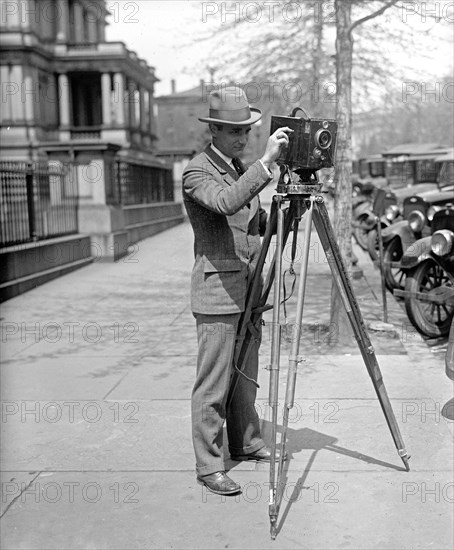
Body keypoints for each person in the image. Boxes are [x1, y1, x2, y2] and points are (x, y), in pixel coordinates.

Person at [182, 86, 292, 496]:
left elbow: (255, 226)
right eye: (232, 131)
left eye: (246, 130)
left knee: (244, 376)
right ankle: (209, 465)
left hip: (248, 289)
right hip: (217, 292)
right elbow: (226, 203)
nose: (241, 138)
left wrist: (287, 206)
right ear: (213, 129)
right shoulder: (198, 171)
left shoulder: (237, 165)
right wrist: (264, 166)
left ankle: (245, 442)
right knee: (213, 382)